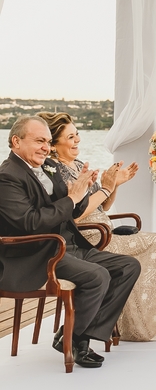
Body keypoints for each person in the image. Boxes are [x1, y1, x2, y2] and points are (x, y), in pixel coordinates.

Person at [0, 116, 141, 368]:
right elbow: (30, 222)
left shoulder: (47, 169)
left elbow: (73, 212)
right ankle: (77, 341)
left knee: (128, 267)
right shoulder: (7, 177)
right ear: (16, 141)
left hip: (68, 246)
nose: (45, 147)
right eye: (39, 141)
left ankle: (77, 336)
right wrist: (71, 199)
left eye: (47, 141)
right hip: (39, 254)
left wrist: (85, 189)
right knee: (98, 276)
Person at [39, 111, 156, 342]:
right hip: (89, 237)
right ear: (53, 144)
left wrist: (114, 184)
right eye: (70, 137)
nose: (77, 139)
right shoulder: (55, 171)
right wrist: (105, 188)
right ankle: (129, 325)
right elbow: (75, 216)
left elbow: (104, 206)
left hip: (103, 229)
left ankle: (149, 320)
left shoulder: (78, 165)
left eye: (77, 134)